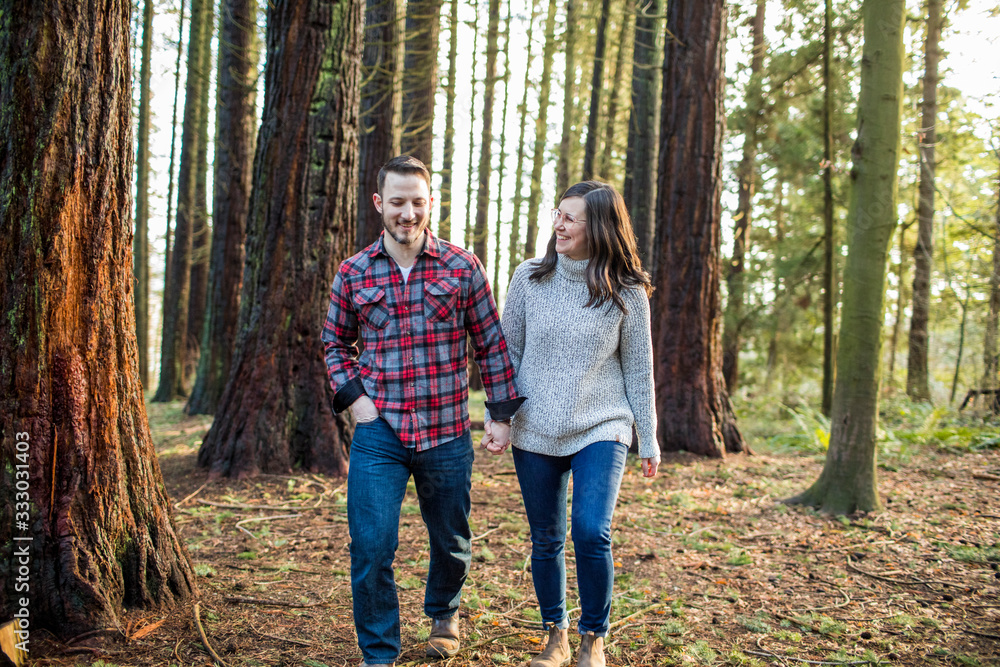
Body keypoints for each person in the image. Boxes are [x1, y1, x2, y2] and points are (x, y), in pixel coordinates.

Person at [322, 155, 524, 667]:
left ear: (429, 203)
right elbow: (333, 343)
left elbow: (491, 344)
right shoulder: (354, 271)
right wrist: (356, 402)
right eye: (397, 203)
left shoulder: (462, 267)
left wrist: (499, 414)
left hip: (446, 432)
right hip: (379, 432)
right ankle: (380, 652)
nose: (407, 213)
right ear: (379, 205)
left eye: (416, 202)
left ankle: (443, 614)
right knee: (371, 547)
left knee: (451, 540)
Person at [481, 181, 659, 667]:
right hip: (535, 427)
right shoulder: (529, 278)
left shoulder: (627, 290)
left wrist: (649, 436)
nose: (559, 225)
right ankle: (554, 632)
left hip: (602, 424)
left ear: (599, 227)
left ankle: (592, 636)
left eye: (570, 218)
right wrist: (497, 416)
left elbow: (638, 368)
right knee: (546, 537)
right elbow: (506, 352)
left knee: (590, 530)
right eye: (557, 214)